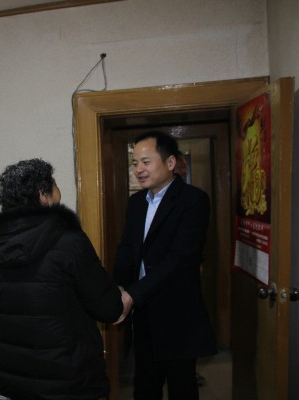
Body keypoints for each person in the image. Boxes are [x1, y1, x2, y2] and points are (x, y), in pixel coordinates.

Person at [0, 158, 123, 400]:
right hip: (71, 383)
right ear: (43, 195)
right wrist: (123, 297)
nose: (58, 191)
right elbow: (108, 308)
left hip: (15, 384)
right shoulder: (70, 241)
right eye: (54, 185)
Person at [113, 131, 217, 400]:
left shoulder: (193, 200)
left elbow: (180, 258)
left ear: (170, 163)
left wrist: (132, 294)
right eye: (135, 163)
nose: (139, 169)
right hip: (143, 311)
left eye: (146, 162)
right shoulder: (136, 203)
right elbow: (127, 247)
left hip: (177, 312)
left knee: (182, 386)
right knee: (145, 385)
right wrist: (119, 286)